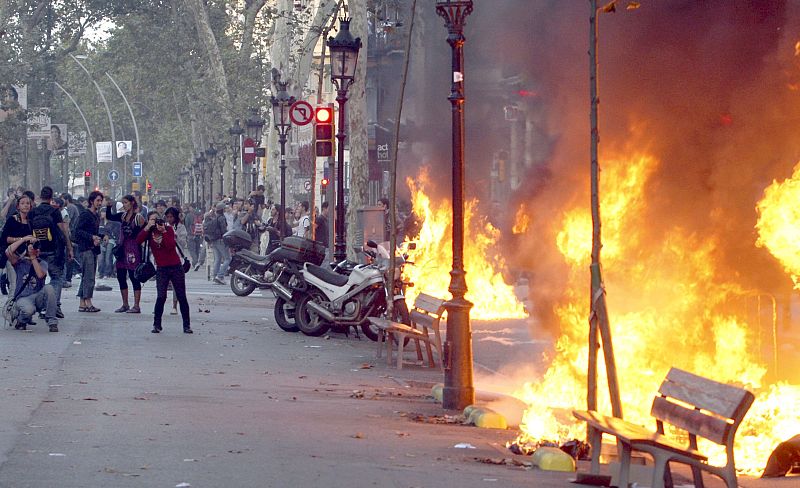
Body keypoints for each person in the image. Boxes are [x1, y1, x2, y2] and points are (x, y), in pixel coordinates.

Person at [137, 211, 192, 334]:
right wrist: (146, 227)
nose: (156, 223)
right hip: (161, 268)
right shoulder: (149, 232)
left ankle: (186, 325)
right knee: (161, 297)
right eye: (152, 220)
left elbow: (170, 245)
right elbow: (138, 240)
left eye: (157, 220)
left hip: (175, 267)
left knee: (181, 296)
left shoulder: (168, 229)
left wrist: (164, 231)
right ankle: (157, 324)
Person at [30, 186, 72, 319]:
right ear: (51, 197)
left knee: (39, 278)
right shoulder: (55, 212)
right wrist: (69, 248)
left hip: (37, 250)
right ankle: (55, 306)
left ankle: (41, 307)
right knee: (57, 278)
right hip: (54, 250)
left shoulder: (33, 212)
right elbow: (63, 231)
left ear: (40, 196)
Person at [5, 235, 58, 332]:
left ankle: (52, 321)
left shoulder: (42, 263)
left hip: (38, 296)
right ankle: (21, 321)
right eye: (34, 247)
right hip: (23, 297)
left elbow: (40, 275)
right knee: (29, 310)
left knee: (49, 288)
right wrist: (23, 239)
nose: (36, 250)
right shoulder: (20, 262)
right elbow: (8, 251)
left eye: (37, 248)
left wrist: (33, 257)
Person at [106, 195, 145, 313]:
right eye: (123, 203)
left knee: (134, 277)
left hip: (134, 250)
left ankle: (136, 305)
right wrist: (109, 206)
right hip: (122, 249)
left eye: (126, 202)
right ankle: (125, 304)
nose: (124, 205)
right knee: (121, 276)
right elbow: (110, 216)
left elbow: (145, 231)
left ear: (132, 203)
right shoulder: (122, 216)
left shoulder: (138, 218)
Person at [73, 191, 103, 313]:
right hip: (86, 249)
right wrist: (92, 237)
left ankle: (82, 303)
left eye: (101, 201)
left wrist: (101, 236)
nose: (100, 203)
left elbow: (93, 231)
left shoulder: (96, 215)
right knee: (89, 277)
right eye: (98, 201)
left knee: (86, 276)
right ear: (92, 201)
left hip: (93, 248)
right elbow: (78, 231)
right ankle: (88, 301)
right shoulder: (85, 214)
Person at [1, 193, 34, 293]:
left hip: (27, 258)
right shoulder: (12, 220)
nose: (25, 205)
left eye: (28, 203)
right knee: (14, 286)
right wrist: (21, 239)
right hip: (13, 256)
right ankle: (10, 307)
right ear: (18, 206)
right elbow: (5, 239)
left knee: (25, 285)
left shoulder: (31, 221)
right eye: (23, 203)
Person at [164, 206, 188, 315]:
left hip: (177, 257)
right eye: (167, 217)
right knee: (163, 284)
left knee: (176, 284)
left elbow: (183, 243)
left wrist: (175, 236)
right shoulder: (164, 227)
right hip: (165, 257)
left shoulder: (181, 227)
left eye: (171, 217)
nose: (169, 219)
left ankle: (175, 305)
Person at [204, 202, 228, 285]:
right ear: (223, 209)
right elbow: (224, 230)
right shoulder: (222, 218)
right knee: (228, 258)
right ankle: (220, 276)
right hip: (220, 240)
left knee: (217, 259)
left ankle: (215, 276)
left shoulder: (214, 217)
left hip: (214, 240)